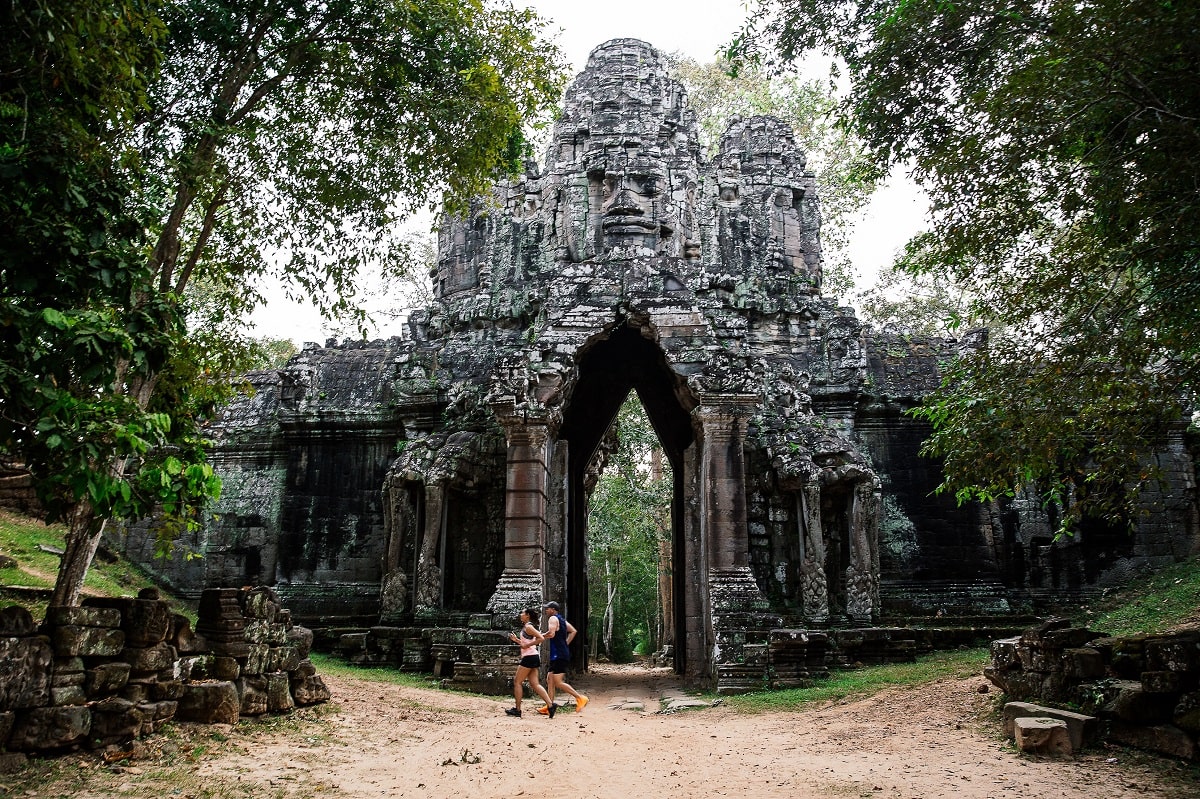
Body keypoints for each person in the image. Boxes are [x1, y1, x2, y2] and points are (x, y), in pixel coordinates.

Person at [539, 601, 588, 715]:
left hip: (559, 655)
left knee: (557, 681)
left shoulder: (552, 619)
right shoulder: (561, 620)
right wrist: (565, 644)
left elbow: (551, 634)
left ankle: (580, 698)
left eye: (548, 609)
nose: (546, 610)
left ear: (553, 610)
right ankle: (549, 705)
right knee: (550, 679)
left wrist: (540, 635)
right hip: (560, 653)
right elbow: (573, 631)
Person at [505, 607, 554, 718]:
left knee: (517, 682)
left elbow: (540, 638)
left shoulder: (528, 626)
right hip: (533, 657)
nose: (521, 614)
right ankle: (551, 706)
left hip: (529, 657)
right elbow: (526, 642)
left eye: (523, 612)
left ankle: (517, 710)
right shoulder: (527, 627)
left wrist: (526, 645)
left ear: (527, 615)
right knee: (535, 684)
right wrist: (517, 640)